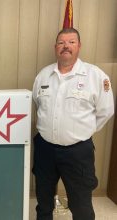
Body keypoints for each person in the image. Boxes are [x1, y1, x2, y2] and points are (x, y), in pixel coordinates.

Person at [32, 28, 114, 220]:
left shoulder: (95, 76)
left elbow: (106, 111)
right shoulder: (43, 75)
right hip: (45, 150)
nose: (66, 46)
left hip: (77, 152)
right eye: (61, 43)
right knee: (43, 202)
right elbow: (38, 105)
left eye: (71, 42)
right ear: (55, 48)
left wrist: (81, 132)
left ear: (79, 46)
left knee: (81, 205)